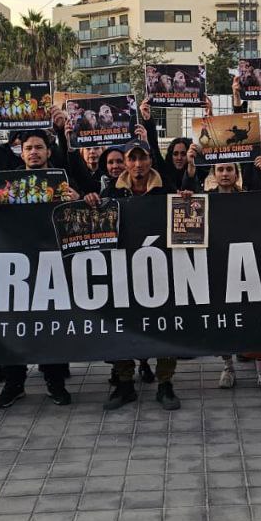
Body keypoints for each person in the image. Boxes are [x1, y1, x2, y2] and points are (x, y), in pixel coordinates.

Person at [85, 139, 187, 410]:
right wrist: (90, 202)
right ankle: (125, 383)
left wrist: (188, 203)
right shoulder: (111, 195)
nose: (138, 165)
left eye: (143, 159)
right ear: (126, 163)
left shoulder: (167, 190)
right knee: (121, 326)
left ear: (151, 160)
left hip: (162, 272)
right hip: (123, 274)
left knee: (167, 327)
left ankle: (165, 384)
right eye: (132, 159)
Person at [0, 130, 77, 408]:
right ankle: (14, 383)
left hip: (53, 263)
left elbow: (81, 212)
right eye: (29, 148)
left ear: (48, 151)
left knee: (52, 324)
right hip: (16, 264)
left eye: (39, 147)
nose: (34, 152)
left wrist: (77, 197)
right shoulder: (7, 183)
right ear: (22, 152)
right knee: (14, 324)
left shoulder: (63, 181)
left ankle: (54, 382)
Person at [204, 163, 261, 392]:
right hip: (218, 266)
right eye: (220, 170)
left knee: (255, 317)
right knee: (223, 319)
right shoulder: (205, 199)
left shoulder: (248, 197)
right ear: (214, 174)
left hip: (248, 266)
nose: (225, 174)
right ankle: (228, 367)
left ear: (237, 173)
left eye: (229, 170)